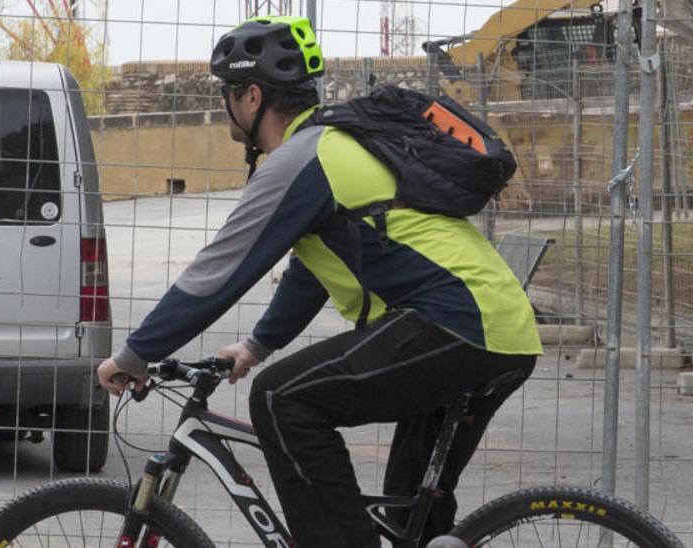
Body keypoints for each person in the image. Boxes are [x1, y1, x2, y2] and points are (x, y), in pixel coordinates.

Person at [95, 16, 541, 548]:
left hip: (453, 323)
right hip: (498, 329)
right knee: (411, 525)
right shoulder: (336, 146)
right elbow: (316, 265)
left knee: (284, 400)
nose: (226, 107)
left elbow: (218, 273)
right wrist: (258, 343)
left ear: (252, 96)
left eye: (228, 94)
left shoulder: (301, 159)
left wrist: (135, 355)